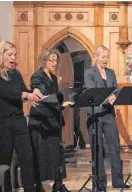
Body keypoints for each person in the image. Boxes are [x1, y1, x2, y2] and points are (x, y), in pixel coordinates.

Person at [0, 40, 43, 192]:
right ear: (1, 55)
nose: (13, 58)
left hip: (18, 120)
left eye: (15, 55)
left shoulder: (16, 74)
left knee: (27, 158)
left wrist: (33, 93)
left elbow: (23, 91)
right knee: (5, 161)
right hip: (1, 123)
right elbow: (6, 93)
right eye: (10, 54)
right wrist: (26, 94)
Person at [28, 48, 74, 191]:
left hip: (53, 120)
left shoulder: (53, 78)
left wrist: (61, 104)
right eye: (51, 60)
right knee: (40, 153)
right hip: (40, 121)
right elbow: (42, 95)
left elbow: (53, 99)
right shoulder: (36, 76)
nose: (55, 63)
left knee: (57, 153)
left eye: (56, 60)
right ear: (44, 61)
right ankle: (38, 185)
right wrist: (57, 101)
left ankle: (58, 184)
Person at [84, 45, 128, 189]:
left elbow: (116, 88)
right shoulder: (89, 73)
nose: (105, 60)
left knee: (114, 147)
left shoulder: (111, 73)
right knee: (97, 149)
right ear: (96, 57)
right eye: (103, 57)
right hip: (95, 114)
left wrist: (116, 95)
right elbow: (92, 92)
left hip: (108, 114)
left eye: (107, 57)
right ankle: (100, 184)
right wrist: (107, 98)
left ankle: (118, 181)